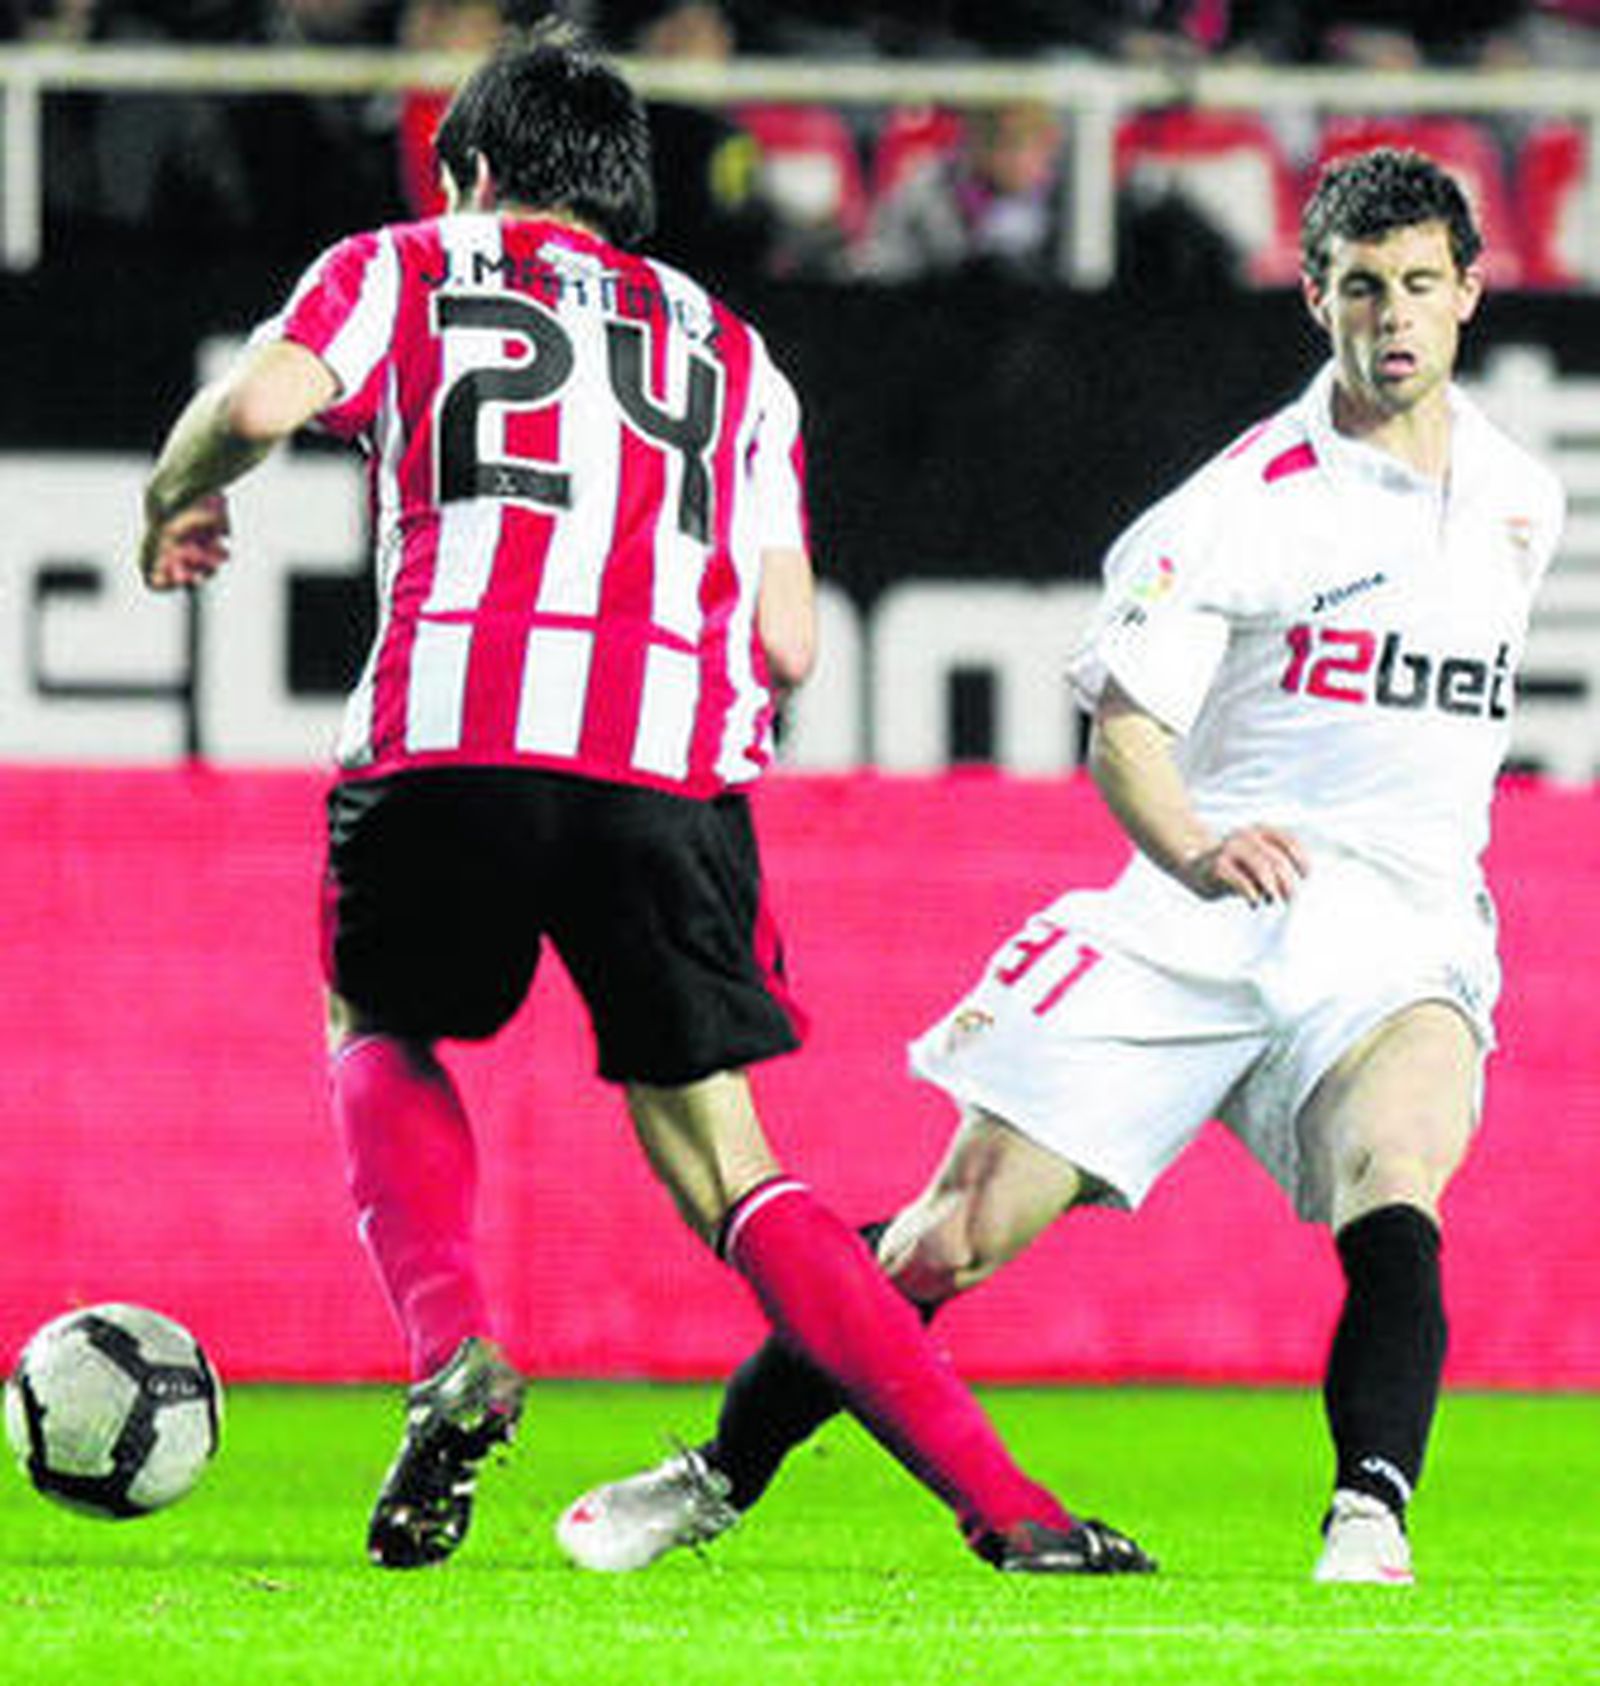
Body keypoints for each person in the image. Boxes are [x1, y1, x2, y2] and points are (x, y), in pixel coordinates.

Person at [135, 32, 1153, 1578]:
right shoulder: (731, 348)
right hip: (666, 774)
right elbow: (791, 641)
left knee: (382, 1022)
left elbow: (265, 402)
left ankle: (451, 1344)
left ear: (470, 170)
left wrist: (175, 493)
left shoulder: (404, 264)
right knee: (737, 1170)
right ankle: (1012, 1509)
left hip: (451, 737)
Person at [556, 145, 1566, 1586]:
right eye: (1360, 288)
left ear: (1470, 290)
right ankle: (719, 1471)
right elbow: (1127, 735)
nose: (1390, 316)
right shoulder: (1242, 505)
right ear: (1314, 297)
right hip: (1205, 906)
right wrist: (1198, 848)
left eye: (1417, 284)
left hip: (1398, 928)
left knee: (1394, 1174)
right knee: (948, 1240)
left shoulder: (1526, 497)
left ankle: (1368, 1515)